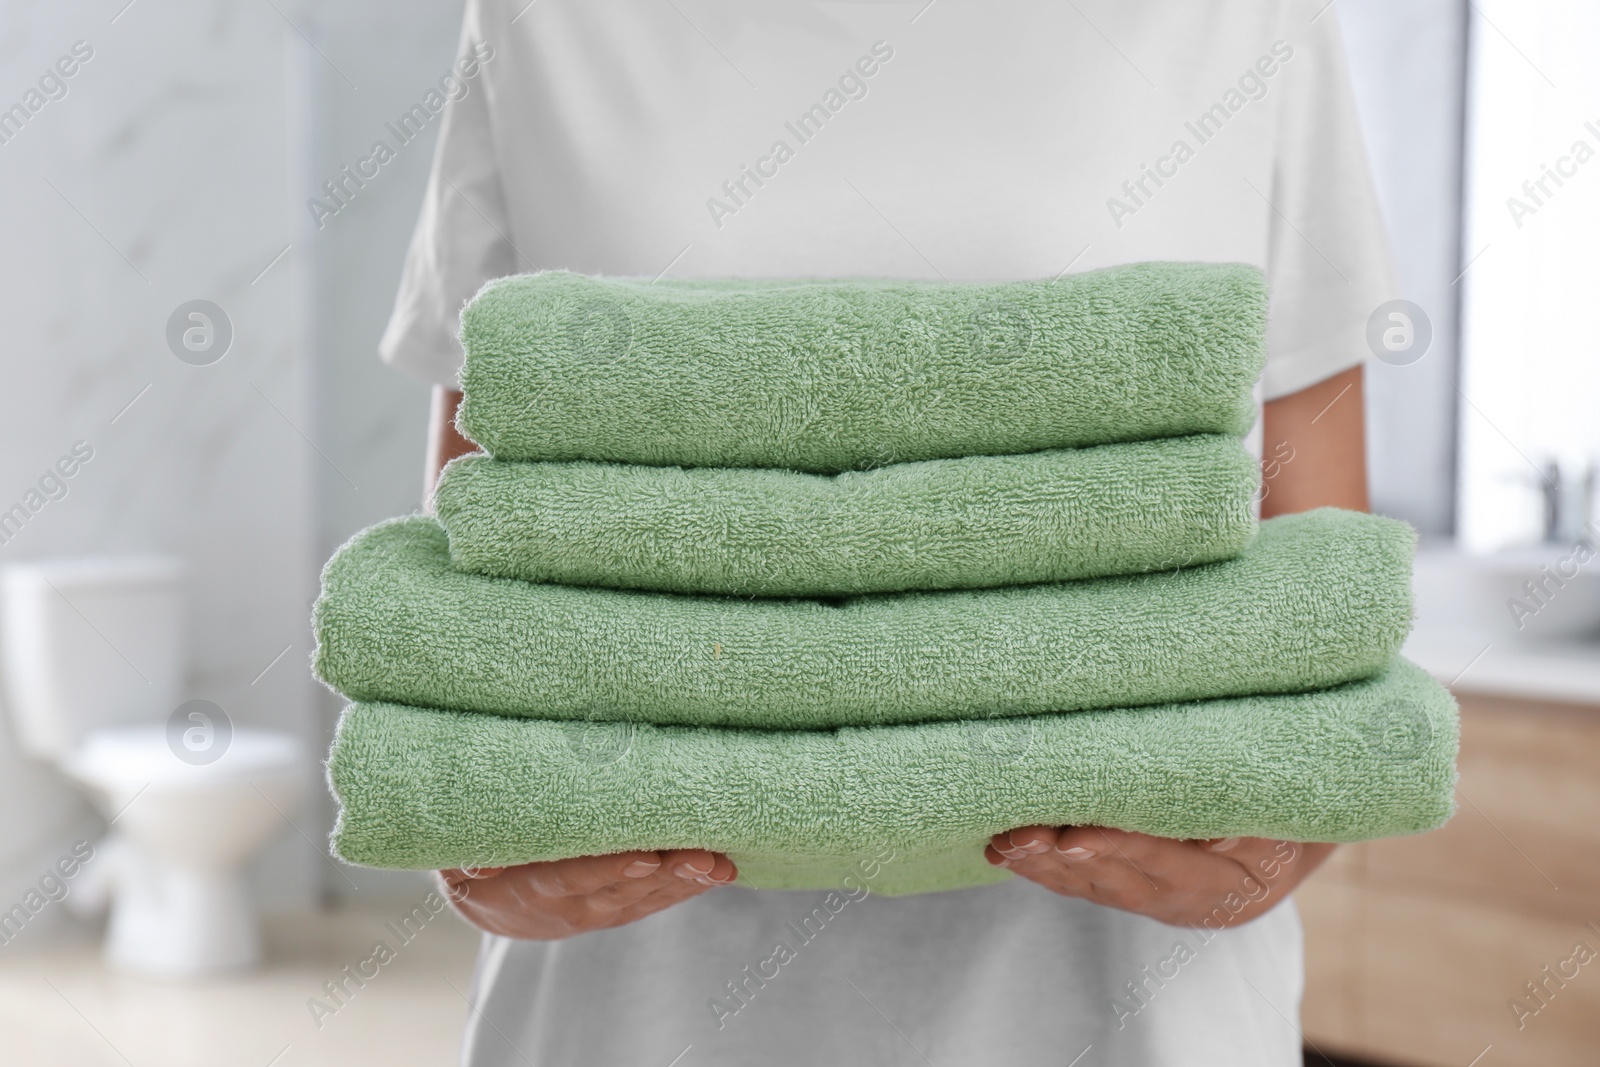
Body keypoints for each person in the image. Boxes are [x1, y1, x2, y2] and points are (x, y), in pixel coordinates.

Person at [380, 1, 1390, 1062]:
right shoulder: (540, 17)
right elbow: (472, 607)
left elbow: (1317, 617)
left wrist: (1276, 850)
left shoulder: (1243, 16)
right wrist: (480, 855)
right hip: (625, 1017)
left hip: (1132, 1017)